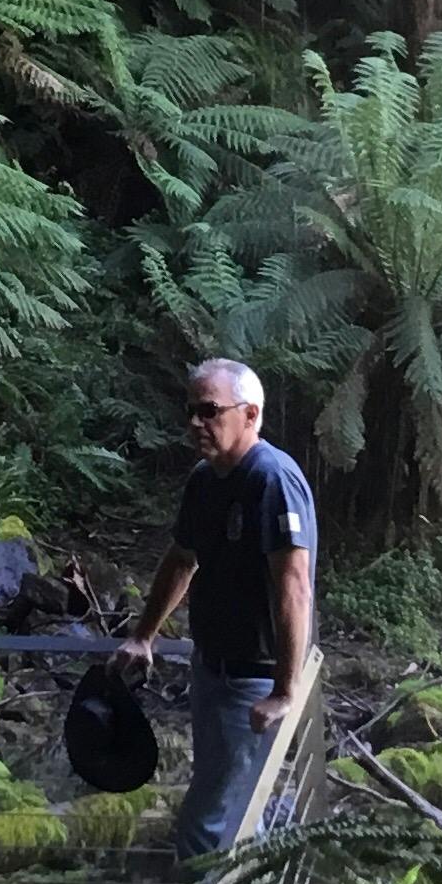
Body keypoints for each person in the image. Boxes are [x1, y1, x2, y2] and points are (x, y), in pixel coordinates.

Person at [116, 356, 317, 855]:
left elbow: (294, 585)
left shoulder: (271, 479)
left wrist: (284, 691)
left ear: (250, 414)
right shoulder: (205, 482)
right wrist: (144, 636)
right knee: (232, 803)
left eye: (209, 411)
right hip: (211, 669)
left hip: (253, 680)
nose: (195, 424)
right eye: (191, 411)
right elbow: (182, 560)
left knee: (207, 824)